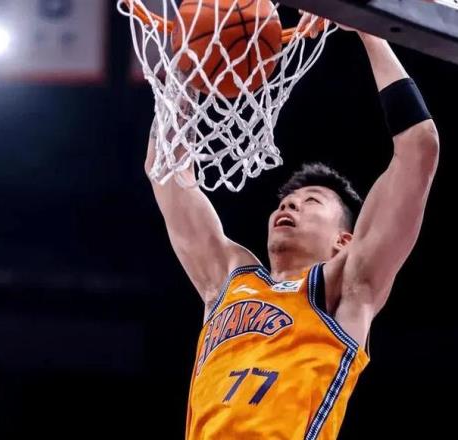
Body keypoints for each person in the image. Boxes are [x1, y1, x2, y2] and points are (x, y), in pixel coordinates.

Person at [144, 12, 439, 440]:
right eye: (286, 202)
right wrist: (186, 68)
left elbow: (419, 147)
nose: (290, 205)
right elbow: (166, 171)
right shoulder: (229, 278)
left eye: (311, 201)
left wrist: (368, 28)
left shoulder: (347, 286)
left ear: (343, 240)